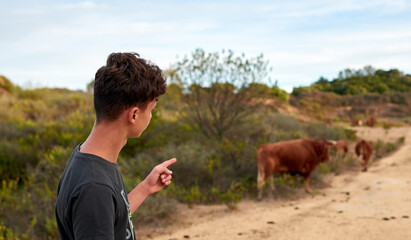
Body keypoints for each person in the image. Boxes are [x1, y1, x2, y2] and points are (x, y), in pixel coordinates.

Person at [55, 52, 176, 240]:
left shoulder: (89, 158)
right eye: (151, 111)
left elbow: (111, 219)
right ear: (134, 115)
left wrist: (145, 188)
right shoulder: (94, 187)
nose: (151, 117)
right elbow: (97, 205)